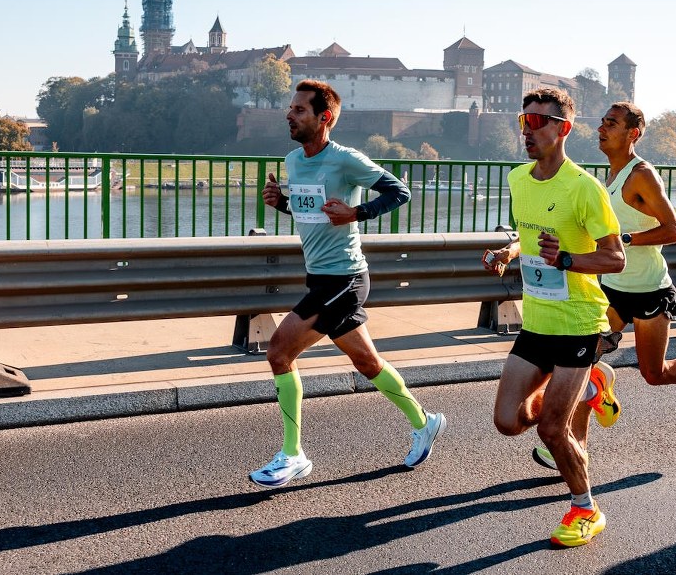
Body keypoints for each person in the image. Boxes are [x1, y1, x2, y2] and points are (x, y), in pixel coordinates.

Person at [531, 102, 676, 471]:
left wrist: (624, 239)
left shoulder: (641, 175)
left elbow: (673, 230)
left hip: (650, 290)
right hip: (612, 289)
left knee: (655, 374)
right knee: (585, 360)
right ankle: (577, 444)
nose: (602, 128)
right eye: (602, 122)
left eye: (612, 124)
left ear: (632, 133)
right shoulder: (610, 176)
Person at [251, 79, 442, 489]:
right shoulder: (293, 160)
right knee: (367, 363)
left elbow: (399, 191)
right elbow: (313, 211)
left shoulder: (345, 159)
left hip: (345, 277)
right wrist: (281, 202)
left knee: (279, 352)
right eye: (291, 108)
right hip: (321, 276)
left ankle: (292, 454)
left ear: (325, 118)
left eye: (299, 109)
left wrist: (356, 213)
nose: (290, 114)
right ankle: (424, 423)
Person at [483, 88, 625, 547]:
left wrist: (565, 259)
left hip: (579, 323)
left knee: (550, 429)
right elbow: (530, 235)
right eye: (524, 121)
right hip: (536, 322)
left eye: (539, 121)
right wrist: (510, 250)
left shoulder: (584, 187)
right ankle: (590, 386)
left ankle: (585, 508)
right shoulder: (518, 178)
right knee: (507, 420)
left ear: (563, 129)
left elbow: (615, 259)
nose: (528, 130)